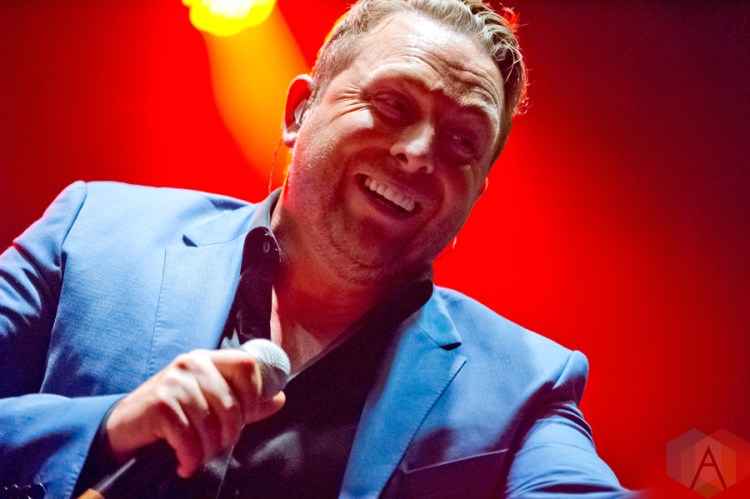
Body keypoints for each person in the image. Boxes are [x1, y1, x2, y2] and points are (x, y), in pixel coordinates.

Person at [0, 0, 635, 497]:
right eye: (393, 104)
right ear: (299, 111)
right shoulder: (92, 230)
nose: (419, 154)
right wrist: (108, 427)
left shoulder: (528, 386)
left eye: (463, 141)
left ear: (477, 193)